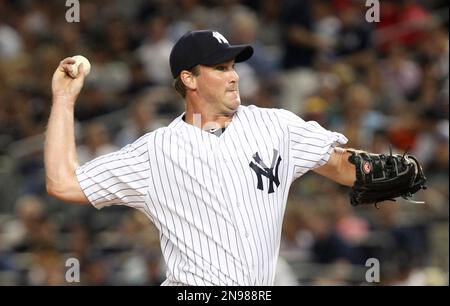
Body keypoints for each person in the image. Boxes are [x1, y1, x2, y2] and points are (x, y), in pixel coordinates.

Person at [45, 30, 424, 286]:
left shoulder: (275, 126)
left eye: (233, 67)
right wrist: (64, 99)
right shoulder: (155, 152)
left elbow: (341, 164)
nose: (234, 76)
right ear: (189, 80)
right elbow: (62, 182)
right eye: (221, 68)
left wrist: (389, 167)